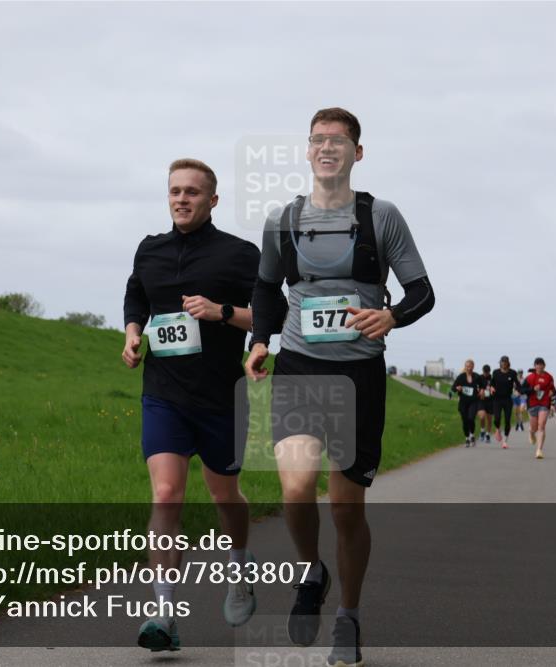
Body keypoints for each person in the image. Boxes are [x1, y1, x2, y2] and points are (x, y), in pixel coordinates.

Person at [246, 107, 434, 667]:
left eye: (339, 140)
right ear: (307, 151)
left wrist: (392, 317)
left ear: (358, 152)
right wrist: (260, 340)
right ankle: (311, 571)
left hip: (360, 376)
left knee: (347, 508)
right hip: (301, 368)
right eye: (318, 139)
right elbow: (264, 291)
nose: (327, 147)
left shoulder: (382, 217)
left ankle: (348, 617)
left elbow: (422, 292)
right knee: (296, 487)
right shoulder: (283, 220)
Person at [123, 159, 261, 651]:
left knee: (226, 496)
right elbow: (136, 296)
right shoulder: (150, 249)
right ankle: (163, 613)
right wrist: (133, 334)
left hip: (221, 396)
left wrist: (221, 313)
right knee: (165, 495)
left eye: (193, 193)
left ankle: (240, 571)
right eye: (175, 192)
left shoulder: (240, 255)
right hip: (164, 395)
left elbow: (270, 315)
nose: (182, 199)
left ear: (213, 200)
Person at [521, 358, 555, 459]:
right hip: (532, 404)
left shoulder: (549, 377)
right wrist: (532, 389)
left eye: (541, 365)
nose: (539, 366)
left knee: (542, 426)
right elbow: (522, 390)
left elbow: (553, 388)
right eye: (537, 364)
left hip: (544, 403)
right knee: (534, 428)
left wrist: (552, 392)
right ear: (535, 366)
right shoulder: (529, 378)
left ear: (544, 366)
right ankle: (531, 433)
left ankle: (539, 450)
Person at [490, 356, 520, 448]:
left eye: (505, 362)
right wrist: (491, 387)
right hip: (497, 399)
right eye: (502, 362)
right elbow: (492, 383)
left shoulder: (512, 373)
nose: (503, 363)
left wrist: (519, 390)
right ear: (500, 363)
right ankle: (498, 429)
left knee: (507, 420)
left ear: (508, 363)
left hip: (507, 399)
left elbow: (517, 384)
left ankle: (505, 441)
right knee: (497, 418)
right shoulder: (495, 372)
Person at [452, 359, 483, 447]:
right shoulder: (461, 377)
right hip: (463, 402)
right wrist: (457, 388)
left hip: (473, 401)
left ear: (473, 367)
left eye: (470, 366)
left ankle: (472, 434)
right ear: (465, 367)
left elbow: (482, 385)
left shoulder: (477, 376)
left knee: (471, 418)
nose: (468, 368)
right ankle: (467, 438)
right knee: (465, 421)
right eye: (467, 366)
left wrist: (481, 391)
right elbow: (453, 387)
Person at [478, 364, 495, 443]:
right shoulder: (479, 378)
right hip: (482, 400)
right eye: (485, 372)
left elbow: (495, 388)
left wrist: (492, 389)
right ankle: (482, 431)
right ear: (482, 371)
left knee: (489, 419)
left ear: (489, 372)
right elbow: (476, 387)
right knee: (482, 416)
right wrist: (480, 391)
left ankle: (488, 434)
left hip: (491, 401)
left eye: (487, 372)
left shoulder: (492, 378)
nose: (486, 374)